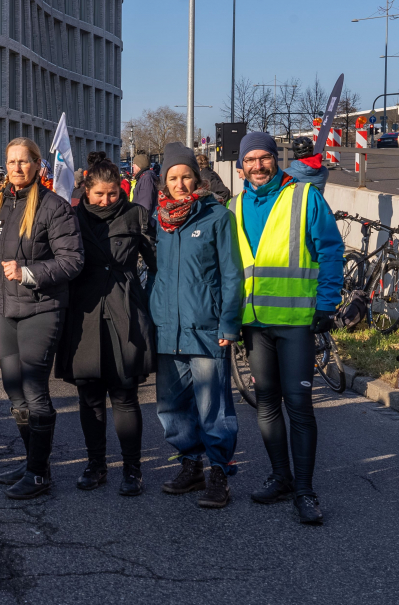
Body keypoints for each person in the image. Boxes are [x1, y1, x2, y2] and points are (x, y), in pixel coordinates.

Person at [233, 132, 344, 525]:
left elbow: (330, 250)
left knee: (298, 406)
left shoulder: (304, 196)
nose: (258, 165)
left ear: (275, 160)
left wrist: (327, 304)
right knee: (265, 403)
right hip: (254, 323)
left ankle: (304, 491)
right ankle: (280, 477)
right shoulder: (235, 206)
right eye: (251, 159)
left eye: (264, 158)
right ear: (240, 165)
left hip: (297, 320)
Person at [0, 137, 83, 499]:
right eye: (11, 162)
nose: (17, 168)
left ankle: (39, 474)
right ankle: (32, 462)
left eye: (24, 162)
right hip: (6, 311)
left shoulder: (54, 206)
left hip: (41, 309)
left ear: (39, 165)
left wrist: (28, 273)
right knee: (13, 392)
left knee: (33, 392)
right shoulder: (0, 203)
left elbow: (72, 261)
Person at [56, 152, 156, 497]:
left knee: (126, 394)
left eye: (112, 193)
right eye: (99, 194)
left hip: (124, 308)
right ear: (86, 190)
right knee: (90, 396)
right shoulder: (71, 217)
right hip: (83, 313)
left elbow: (158, 262)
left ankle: (132, 469)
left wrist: (147, 299)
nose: (107, 200)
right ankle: (96, 465)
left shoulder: (136, 215)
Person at [149, 142, 243, 510]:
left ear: (197, 177)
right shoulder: (159, 220)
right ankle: (190, 465)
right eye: (173, 177)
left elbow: (233, 275)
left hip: (206, 327)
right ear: (163, 182)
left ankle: (219, 470)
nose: (180, 183)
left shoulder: (217, 217)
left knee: (213, 406)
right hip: (167, 327)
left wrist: (229, 323)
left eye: (186, 175)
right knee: (171, 405)